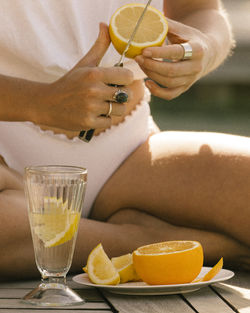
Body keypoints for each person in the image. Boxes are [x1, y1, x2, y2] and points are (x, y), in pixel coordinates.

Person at [0, 0, 249, 281]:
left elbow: (200, 11)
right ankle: (164, 242)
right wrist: (39, 102)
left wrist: (203, 47)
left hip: (127, 158)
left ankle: (75, 235)